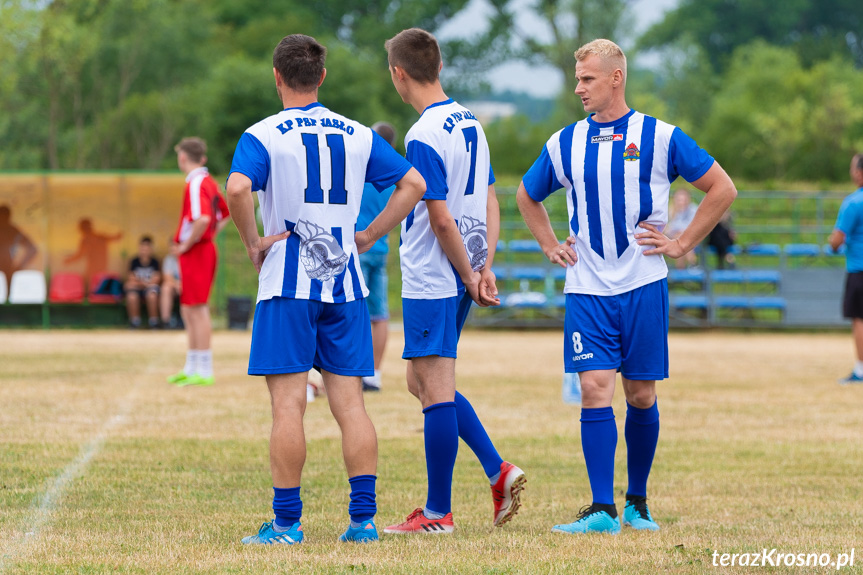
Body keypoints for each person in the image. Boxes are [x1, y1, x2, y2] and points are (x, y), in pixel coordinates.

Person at [516, 39, 736, 535]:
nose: (579, 88)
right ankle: (601, 509)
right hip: (588, 287)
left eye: (588, 79)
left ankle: (636, 501)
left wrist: (680, 244)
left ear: (616, 78)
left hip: (643, 284)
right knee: (595, 390)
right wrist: (550, 243)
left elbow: (723, 189)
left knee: (639, 394)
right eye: (577, 79)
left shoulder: (659, 137)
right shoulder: (563, 142)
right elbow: (527, 196)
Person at [225, 33, 425, 545]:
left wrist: (252, 243)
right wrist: (369, 234)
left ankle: (288, 525)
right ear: (322, 76)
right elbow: (414, 184)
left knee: (288, 406)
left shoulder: (263, 134)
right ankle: (363, 520)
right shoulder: (356, 133)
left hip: (288, 285)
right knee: (351, 405)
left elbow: (238, 187)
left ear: (276, 77)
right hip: (346, 284)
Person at [382, 28, 526, 536]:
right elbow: (491, 197)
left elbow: (439, 218)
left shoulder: (422, 133)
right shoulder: (470, 120)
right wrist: (485, 265)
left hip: (435, 273)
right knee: (419, 381)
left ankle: (437, 513)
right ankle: (497, 470)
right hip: (464, 267)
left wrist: (469, 273)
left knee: (435, 386)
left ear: (400, 74)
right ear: (438, 66)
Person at [166, 137, 231, 387]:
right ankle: (192, 365)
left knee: (198, 309)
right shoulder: (208, 181)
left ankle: (203, 369)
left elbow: (202, 219)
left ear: (183, 157)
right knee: (188, 307)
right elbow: (224, 213)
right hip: (199, 249)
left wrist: (188, 243)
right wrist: (209, 234)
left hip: (197, 251)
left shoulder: (195, 183)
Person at [356, 121, 398, 392]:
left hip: (356, 245)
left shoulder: (360, 167)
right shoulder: (396, 173)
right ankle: (375, 375)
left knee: (350, 311)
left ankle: (350, 371)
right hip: (380, 248)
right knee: (379, 314)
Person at [829, 152, 863, 384]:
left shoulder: (853, 202)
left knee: (859, 319)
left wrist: (832, 245)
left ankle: (860, 370)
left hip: (859, 269)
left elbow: (837, 239)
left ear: (859, 173)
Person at [63, 218, 122, 290]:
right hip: (102, 268)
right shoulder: (100, 237)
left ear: (83, 228)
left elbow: (80, 255)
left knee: (88, 289)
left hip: (92, 271)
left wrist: (69, 260)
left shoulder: (86, 240)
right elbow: (116, 237)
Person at [0, 204, 38, 294]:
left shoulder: (12, 231)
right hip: (7, 268)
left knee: (7, 296)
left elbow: (32, 249)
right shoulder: (12, 230)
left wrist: (20, 266)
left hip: (7, 269)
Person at [125, 236, 161, 329]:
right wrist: (145, 284)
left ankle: (154, 322)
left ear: (150, 249)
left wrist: (144, 284)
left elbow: (157, 279)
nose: (144, 250)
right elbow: (131, 278)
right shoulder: (134, 261)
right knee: (132, 296)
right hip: (139, 288)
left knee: (152, 295)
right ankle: (134, 322)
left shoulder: (155, 262)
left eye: (146, 248)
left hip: (150, 288)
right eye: (142, 248)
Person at [666, 189, 699, 269]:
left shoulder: (693, 210)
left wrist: (678, 229)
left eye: (683, 199)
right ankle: (692, 263)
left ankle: (681, 268)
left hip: (690, 238)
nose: (681, 202)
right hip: (675, 238)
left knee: (681, 239)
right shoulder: (670, 210)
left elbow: (692, 226)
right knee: (680, 239)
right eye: (679, 199)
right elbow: (667, 229)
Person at [159, 244, 182, 329]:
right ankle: (166, 321)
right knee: (166, 288)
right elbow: (167, 278)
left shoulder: (187, 257)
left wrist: (182, 285)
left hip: (186, 286)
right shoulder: (168, 259)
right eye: (171, 248)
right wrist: (177, 285)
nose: (173, 250)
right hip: (175, 287)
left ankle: (186, 320)